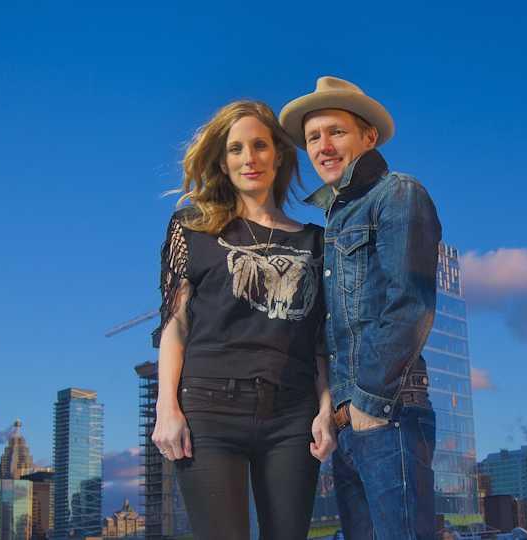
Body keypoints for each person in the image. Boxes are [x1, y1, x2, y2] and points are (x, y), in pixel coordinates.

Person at [150, 100, 336, 540]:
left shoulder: (315, 241)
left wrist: (327, 408)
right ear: (222, 161)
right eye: (236, 149)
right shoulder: (191, 229)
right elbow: (175, 325)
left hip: (292, 414)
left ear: (279, 155)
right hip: (209, 409)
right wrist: (166, 407)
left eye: (259, 146)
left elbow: (319, 340)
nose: (249, 158)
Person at [280, 77, 442, 540]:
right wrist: (335, 413)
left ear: (369, 136)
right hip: (349, 424)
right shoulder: (334, 221)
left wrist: (369, 405)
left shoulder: (397, 193)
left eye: (336, 132)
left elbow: (410, 302)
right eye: (314, 137)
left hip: (390, 411)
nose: (323, 146)